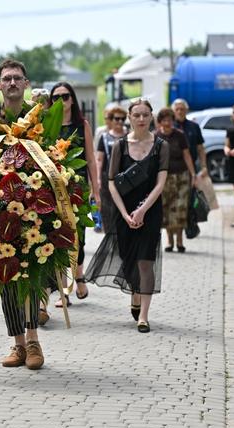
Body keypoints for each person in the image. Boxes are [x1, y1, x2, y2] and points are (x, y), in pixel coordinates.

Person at [0, 59, 44, 369]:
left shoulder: (39, 118)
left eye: (18, 78)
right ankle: (17, 345)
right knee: (6, 274)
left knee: (30, 273)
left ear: (26, 83)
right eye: (7, 78)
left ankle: (34, 342)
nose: (13, 83)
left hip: (35, 206)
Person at [85, 98, 169, 333]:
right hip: (122, 211)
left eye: (145, 115)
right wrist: (125, 213)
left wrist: (142, 210)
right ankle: (135, 293)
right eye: (137, 115)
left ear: (151, 117)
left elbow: (161, 183)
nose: (141, 119)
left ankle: (143, 315)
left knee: (146, 261)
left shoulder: (161, 145)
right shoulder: (119, 146)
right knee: (128, 259)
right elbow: (111, 182)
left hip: (150, 210)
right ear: (130, 118)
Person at [48, 82, 101, 307]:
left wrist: (96, 191)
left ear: (73, 99)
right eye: (57, 96)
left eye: (66, 96)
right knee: (58, 238)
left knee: (78, 236)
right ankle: (63, 291)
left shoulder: (82, 125)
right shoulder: (46, 126)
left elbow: (90, 159)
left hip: (78, 189)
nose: (62, 100)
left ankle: (79, 276)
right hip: (53, 190)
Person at [155, 107, 197, 253]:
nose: (167, 123)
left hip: (182, 176)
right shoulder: (156, 137)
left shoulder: (180, 135)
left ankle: (179, 240)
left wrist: (193, 174)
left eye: (170, 120)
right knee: (166, 208)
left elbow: (187, 155)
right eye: (165, 120)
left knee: (180, 208)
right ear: (160, 122)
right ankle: (169, 241)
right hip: (163, 178)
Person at [96, 106, 127, 233]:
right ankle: (110, 235)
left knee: (123, 207)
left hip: (126, 176)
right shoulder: (104, 137)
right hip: (107, 176)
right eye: (117, 119)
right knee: (107, 208)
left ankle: (122, 238)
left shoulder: (129, 136)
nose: (119, 122)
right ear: (111, 120)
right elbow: (99, 159)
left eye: (122, 119)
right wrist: (97, 178)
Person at [172, 98, 208, 176]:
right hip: (173, 168)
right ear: (173, 111)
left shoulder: (194, 126)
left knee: (192, 188)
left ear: (186, 110)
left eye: (182, 109)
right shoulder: (170, 127)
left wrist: (204, 166)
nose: (179, 112)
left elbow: (200, 148)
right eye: (177, 109)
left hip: (191, 167)